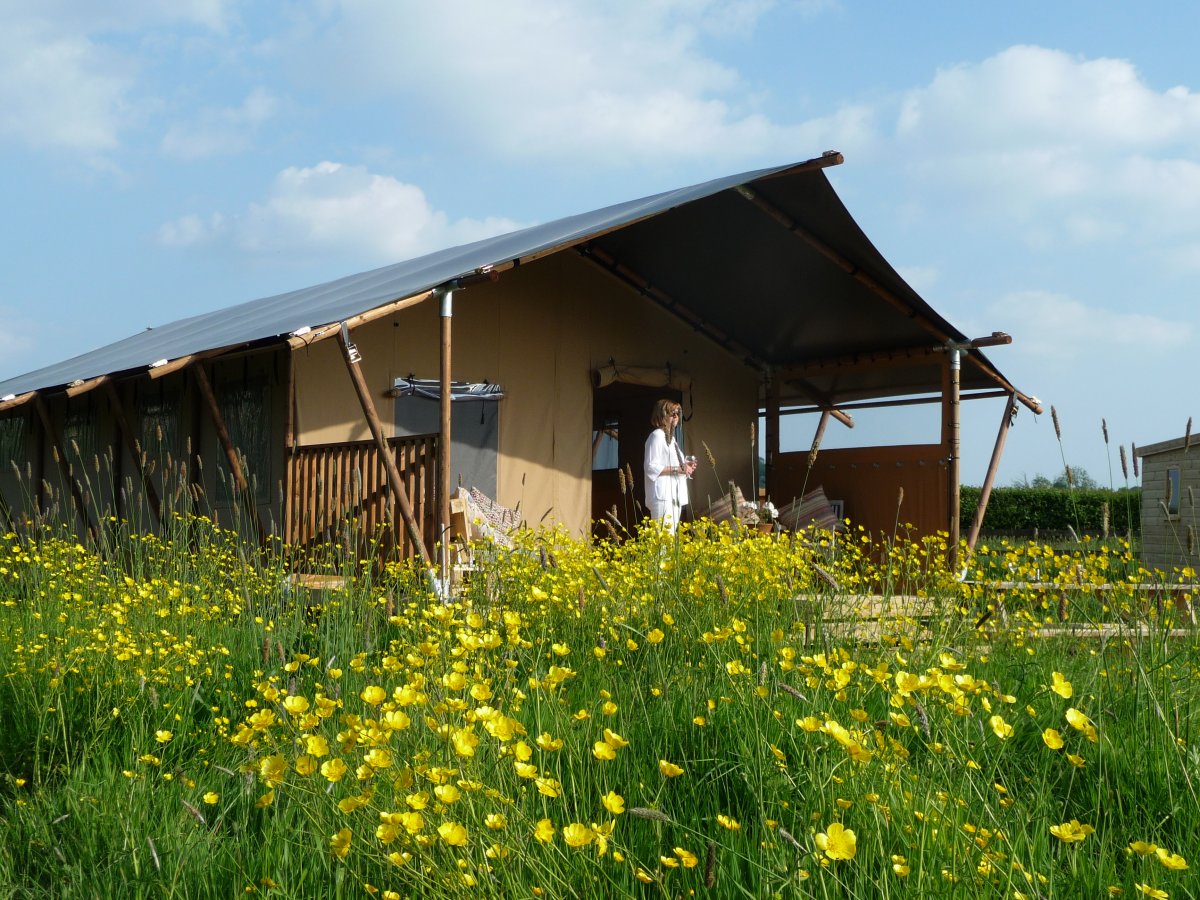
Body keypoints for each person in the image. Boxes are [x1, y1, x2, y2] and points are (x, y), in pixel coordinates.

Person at [643, 399, 697, 533]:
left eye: (678, 413)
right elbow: (650, 467)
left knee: (670, 540)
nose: (676, 417)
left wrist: (686, 466)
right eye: (672, 413)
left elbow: (675, 464)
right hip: (663, 496)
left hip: (674, 495)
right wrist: (678, 469)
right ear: (662, 415)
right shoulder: (656, 436)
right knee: (663, 540)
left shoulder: (672, 440)